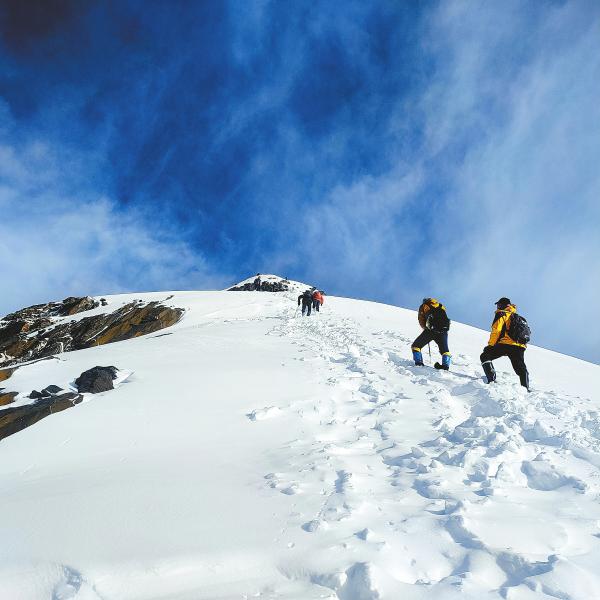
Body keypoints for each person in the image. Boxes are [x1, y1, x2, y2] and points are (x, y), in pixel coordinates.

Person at [480, 297, 530, 390]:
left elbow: (496, 330)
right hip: (520, 346)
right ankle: (526, 388)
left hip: (506, 343)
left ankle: (491, 380)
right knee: (520, 368)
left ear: (504, 305)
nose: (497, 307)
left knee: (485, 356)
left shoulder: (502, 314)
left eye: (498, 305)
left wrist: (490, 345)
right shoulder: (519, 318)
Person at [411, 298, 451, 370]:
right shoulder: (441, 306)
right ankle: (445, 366)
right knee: (445, 350)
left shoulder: (424, 306)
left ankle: (419, 363)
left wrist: (425, 328)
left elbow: (421, 319)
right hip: (443, 331)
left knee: (416, 346)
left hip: (431, 330)